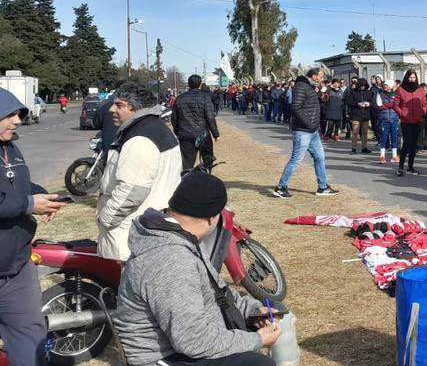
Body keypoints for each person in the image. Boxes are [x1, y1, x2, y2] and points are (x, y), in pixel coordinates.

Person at [114, 172, 281, 366]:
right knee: (258, 364)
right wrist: (258, 339)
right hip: (163, 358)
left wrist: (252, 311)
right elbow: (192, 340)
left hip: (185, 345)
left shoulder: (180, 238)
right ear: (212, 218)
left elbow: (216, 291)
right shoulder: (170, 259)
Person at [0, 87, 67, 365]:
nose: (17, 120)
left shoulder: (10, 147)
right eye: (8, 115)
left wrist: (45, 198)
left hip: (16, 268)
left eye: (18, 114)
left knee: (30, 336)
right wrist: (29, 204)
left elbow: (19, 185)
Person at [97, 83, 183, 261]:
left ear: (137, 108)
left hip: (130, 232)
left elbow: (131, 191)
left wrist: (105, 219)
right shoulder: (156, 128)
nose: (112, 109)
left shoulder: (139, 138)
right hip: (150, 221)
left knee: (122, 276)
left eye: (119, 105)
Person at [272, 68, 337, 199]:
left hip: (313, 131)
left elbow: (315, 103)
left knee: (320, 157)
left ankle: (323, 187)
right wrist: (309, 123)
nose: (322, 79)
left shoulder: (311, 87)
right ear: (314, 76)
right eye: (321, 76)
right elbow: (296, 107)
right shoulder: (301, 86)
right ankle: (281, 187)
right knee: (296, 159)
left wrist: (322, 95)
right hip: (303, 130)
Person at [172, 75, 220, 173]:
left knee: (187, 163)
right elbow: (210, 117)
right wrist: (215, 134)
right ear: (200, 84)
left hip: (185, 134)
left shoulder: (180, 98)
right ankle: (206, 176)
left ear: (188, 84)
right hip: (202, 133)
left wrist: (178, 132)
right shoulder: (205, 97)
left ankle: (186, 179)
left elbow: (174, 118)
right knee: (207, 159)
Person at [394, 70, 427, 176]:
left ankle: (410, 166)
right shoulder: (400, 90)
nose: (412, 80)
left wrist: (422, 113)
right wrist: (402, 113)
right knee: (406, 143)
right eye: (410, 77)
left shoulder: (420, 90)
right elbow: (395, 105)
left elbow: (424, 104)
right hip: (406, 121)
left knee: (414, 145)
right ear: (406, 78)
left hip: (417, 121)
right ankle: (400, 167)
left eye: (414, 78)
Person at [376, 80, 401, 165]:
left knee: (394, 137)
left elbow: (397, 105)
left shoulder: (396, 94)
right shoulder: (380, 94)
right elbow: (379, 106)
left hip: (394, 119)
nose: (385, 86)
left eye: (387, 85)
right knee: (383, 138)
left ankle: (394, 156)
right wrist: (392, 105)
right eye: (384, 85)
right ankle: (382, 156)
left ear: (390, 86)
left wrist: (387, 105)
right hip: (384, 119)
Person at [346, 78, 373, 154]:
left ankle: (364, 147)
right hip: (356, 115)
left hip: (366, 115)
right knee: (355, 132)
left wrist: (369, 104)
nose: (362, 87)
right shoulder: (353, 92)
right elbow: (349, 102)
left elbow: (373, 102)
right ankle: (353, 148)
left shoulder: (369, 92)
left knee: (364, 133)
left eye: (364, 85)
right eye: (361, 85)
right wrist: (358, 104)